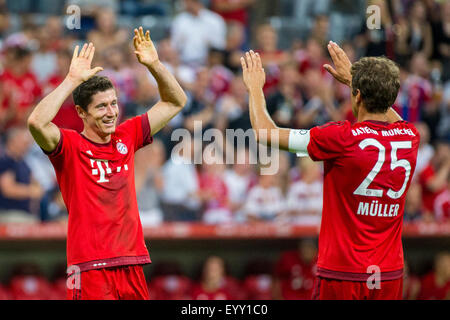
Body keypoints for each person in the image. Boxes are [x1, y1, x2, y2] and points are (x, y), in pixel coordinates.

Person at [240, 42, 420, 300]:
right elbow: (389, 115)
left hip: (343, 274)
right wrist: (355, 83)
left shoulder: (341, 137)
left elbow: (265, 133)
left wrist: (255, 88)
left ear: (357, 96)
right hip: (388, 274)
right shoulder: (410, 136)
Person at [27, 27, 187, 300]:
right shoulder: (69, 146)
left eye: (113, 104)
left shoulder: (128, 134)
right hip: (89, 267)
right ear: (81, 112)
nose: (111, 112)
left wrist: (154, 65)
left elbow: (176, 101)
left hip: (131, 262)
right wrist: (71, 80)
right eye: (101, 106)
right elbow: (36, 122)